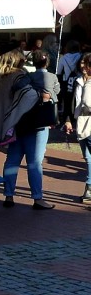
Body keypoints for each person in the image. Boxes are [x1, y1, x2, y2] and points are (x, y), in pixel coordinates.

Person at [0, 49, 54, 209]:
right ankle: (37, 198)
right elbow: (28, 96)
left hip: (10, 126)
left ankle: (8, 195)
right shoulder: (19, 76)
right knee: (34, 162)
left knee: (12, 161)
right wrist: (43, 96)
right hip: (29, 124)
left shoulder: (0, 78)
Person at [64, 52, 91, 203]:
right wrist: (67, 119)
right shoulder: (75, 79)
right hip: (80, 122)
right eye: (81, 63)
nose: (83, 67)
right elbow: (68, 100)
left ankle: (89, 187)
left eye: (85, 63)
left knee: (89, 156)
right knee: (87, 156)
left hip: (89, 122)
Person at [56, 40, 82, 134]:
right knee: (79, 101)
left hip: (68, 82)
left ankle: (68, 121)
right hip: (80, 82)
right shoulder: (81, 56)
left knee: (67, 102)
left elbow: (58, 72)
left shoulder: (63, 58)